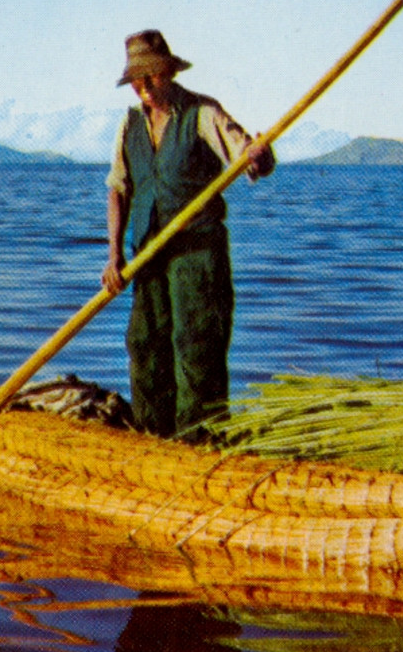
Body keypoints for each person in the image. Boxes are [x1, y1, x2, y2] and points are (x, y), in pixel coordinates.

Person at [101, 30, 274, 440]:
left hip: (197, 254)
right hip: (147, 255)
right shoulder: (128, 126)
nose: (143, 87)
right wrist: (113, 257)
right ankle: (152, 440)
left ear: (168, 72)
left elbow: (249, 159)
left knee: (196, 347)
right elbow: (118, 189)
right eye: (136, 81)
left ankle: (198, 444)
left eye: (151, 77)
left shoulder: (202, 113)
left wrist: (258, 156)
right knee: (145, 345)